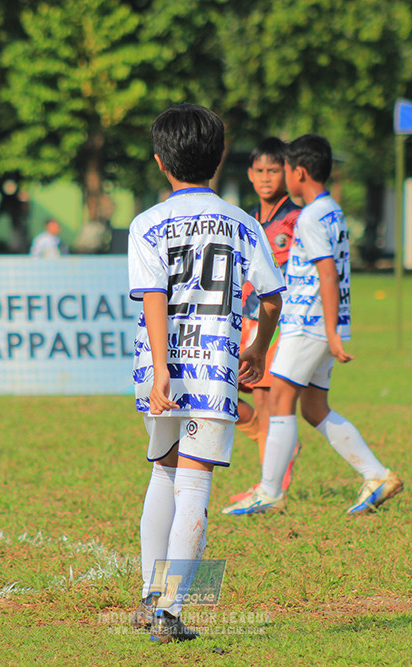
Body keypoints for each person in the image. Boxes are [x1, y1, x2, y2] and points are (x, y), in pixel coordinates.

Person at [126, 104, 285, 643]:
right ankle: (171, 613)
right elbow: (271, 298)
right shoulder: (244, 222)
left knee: (163, 471)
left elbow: (152, 297)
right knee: (195, 481)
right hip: (215, 368)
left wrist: (162, 368)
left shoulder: (146, 223)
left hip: (160, 370)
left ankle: (152, 599)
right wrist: (259, 349)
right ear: (219, 160)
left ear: (159, 161)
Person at [221, 134, 402, 517]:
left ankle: (269, 491)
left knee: (281, 400)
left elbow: (327, 274)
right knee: (313, 407)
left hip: (307, 321)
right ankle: (376, 475)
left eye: (283, 169)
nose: (282, 176)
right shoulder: (331, 210)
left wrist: (332, 330)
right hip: (319, 322)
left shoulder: (310, 216)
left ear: (298, 172)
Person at [229, 137, 302, 503]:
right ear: (250, 174)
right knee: (247, 399)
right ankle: (272, 472)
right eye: (260, 171)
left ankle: (271, 487)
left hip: (281, 321)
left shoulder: (295, 219)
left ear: (286, 173)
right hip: (248, 319)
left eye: (274, 170)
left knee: (269, 400)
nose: (266, 178)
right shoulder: (247, 220)